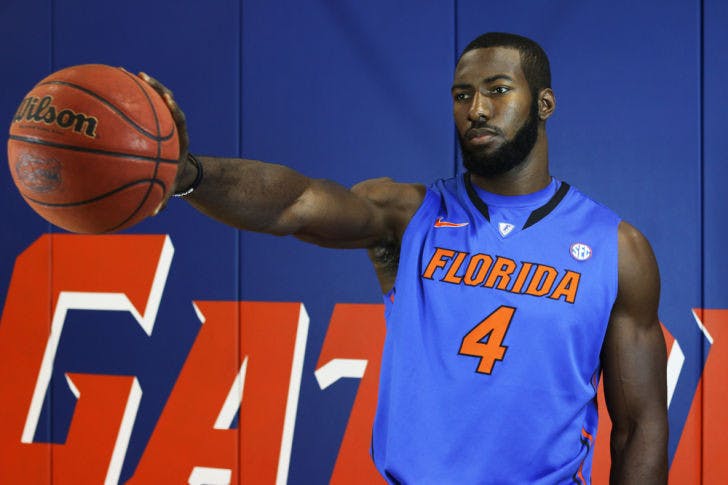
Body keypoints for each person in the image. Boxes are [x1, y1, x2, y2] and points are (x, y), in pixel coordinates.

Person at [142, 32, 668, 484]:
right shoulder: (408, 215)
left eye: (498, 91)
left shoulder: (615, 249)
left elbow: (640, 424)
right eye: (462, 96)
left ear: (545, 104)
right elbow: (295, 203)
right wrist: (187, 174)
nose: (476, 110)